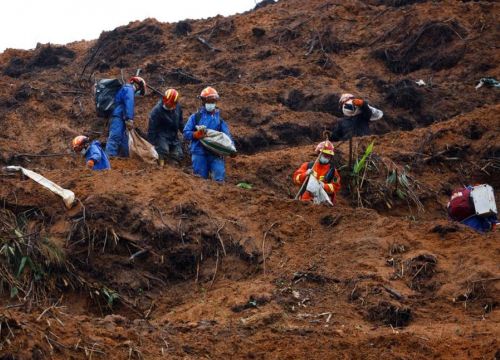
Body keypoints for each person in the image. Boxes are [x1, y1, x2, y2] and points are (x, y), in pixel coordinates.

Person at [183, 86, 233, 182]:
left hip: (215, 152)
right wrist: (195, 135)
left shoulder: (219, 120)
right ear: (203, 102)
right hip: (199, 152)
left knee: (219, 177)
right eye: (208, 102)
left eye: (212, 102)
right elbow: (186, 133)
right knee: (200, 180)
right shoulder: (195, 117)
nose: (210, 104)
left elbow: (226, 137)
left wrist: (231, 149)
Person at [105, 76, 146, 157]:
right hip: (118, 117)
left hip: (120, 118)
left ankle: (125, 159)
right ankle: (108, 159)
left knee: (124, 140)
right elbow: (129, 103)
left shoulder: (125, 89)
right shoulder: (128, 89)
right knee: (115, 138)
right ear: (138, 86)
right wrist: (129, 118)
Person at [147, 88, 184, 167]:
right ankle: (160, 165)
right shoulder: (156, 111)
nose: (172, 106)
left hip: (174, 136)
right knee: (163, 150)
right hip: (161, 136)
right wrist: (151, 145)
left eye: (174, 103)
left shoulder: (177, 108)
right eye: (170, 103)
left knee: (178, 154)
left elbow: (180, 123)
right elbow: (151, 130)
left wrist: (186, 133)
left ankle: (173, 167)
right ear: (164, 99)